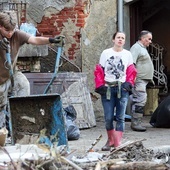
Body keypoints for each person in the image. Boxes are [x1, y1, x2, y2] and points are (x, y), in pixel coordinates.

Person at [0, 11, 64, 129]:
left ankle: (20, 122)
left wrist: (52, 40)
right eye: (7, 31)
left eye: (12, 30)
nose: (10, 33)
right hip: (0, 79)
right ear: (0, 26)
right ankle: (2, 132)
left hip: (12, 74)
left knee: (23, 84)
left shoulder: (17, 35)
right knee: (1, 105)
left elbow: (34, 40)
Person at [94, 31, 137, 151]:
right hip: (108, 88)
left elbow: (131, 71)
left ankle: (117, 143)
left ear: (124, 40)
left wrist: (128, 84)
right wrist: (100, 85)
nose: (120, 40)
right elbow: (99, 70)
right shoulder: (106, 53)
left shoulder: (128, 54)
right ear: (113, 39)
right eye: (118, 37)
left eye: (123, 38)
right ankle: (110, 140)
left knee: (120, 117)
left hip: (122, 89)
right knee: (108, 117)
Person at [130, 30, 154, 132]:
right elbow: (132, 64)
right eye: (149, 39)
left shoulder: (142, 48)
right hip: (138, 80)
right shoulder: (136, 48)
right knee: (140, 100)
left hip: (142, 80)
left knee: (140, 99)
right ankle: (136, 123)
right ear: (143, 38)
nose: (150, 41)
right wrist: (133, 79)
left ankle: (136, 121)